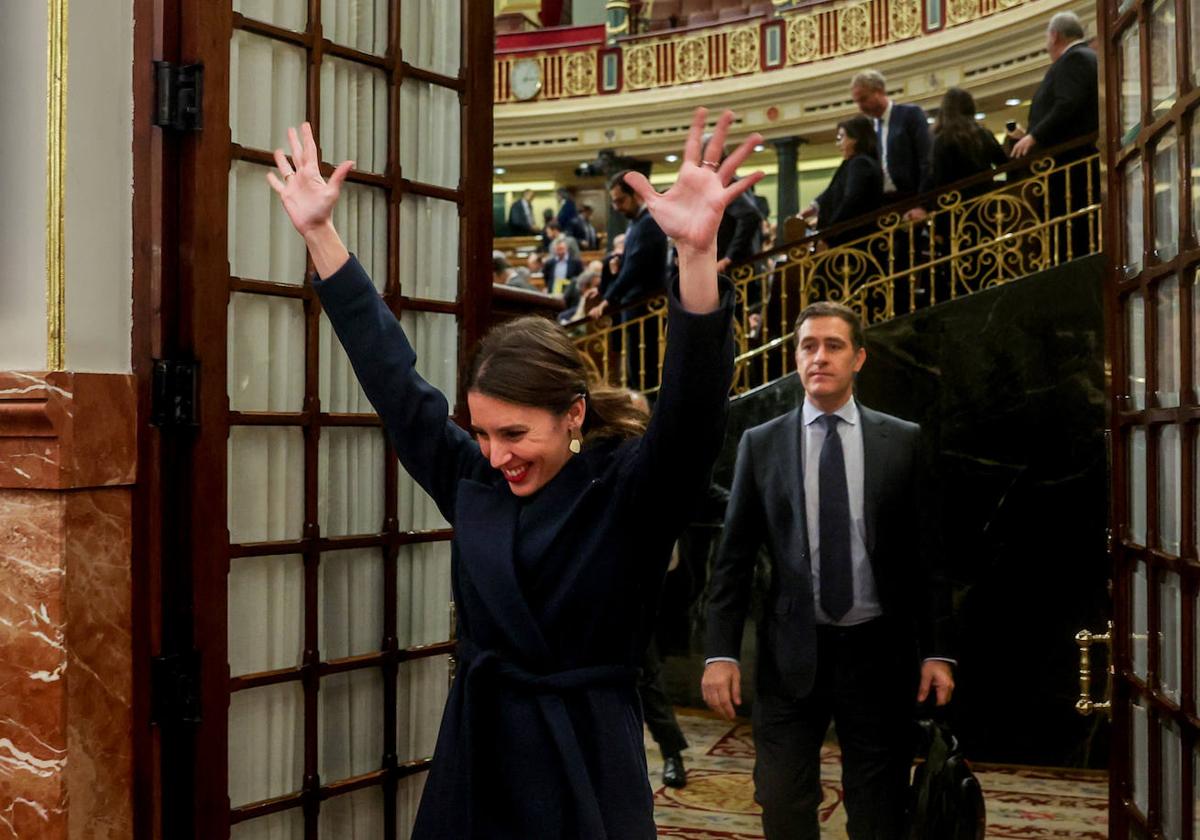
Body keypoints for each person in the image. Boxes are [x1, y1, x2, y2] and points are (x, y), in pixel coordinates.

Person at [267, 111, 762, 839]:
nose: (498, 454)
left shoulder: (628, 489)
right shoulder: (476, 482)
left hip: (586, 758)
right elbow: (394, 382)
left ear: (573, 415)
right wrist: (321, 237)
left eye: (516, 433)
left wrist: (693, 258)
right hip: (480, 753)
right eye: (483, 433)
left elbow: (691, 417)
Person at [702, 301, 954, 840]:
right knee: (782, 799)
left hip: (879, 653)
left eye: (833, 346)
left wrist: (937, 651)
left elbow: (929, 557)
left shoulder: (901, 441)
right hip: (790, 653)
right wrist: (720, 652)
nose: (820, 357)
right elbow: (733, 559)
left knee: (878, 804)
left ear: (859, 357)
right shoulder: (761, 443)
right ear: (795, 358)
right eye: (808, 346)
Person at [1008, 11, 1099, 260]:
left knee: (1070, 235)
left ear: (1055, 35)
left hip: (1070, 166)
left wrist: (1034, 136)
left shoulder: (1075, 58)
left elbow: (1067, 104)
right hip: (1068, 164)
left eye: (1047, 38)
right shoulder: (1083, 57)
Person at [588, 170, 671, 391]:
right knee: (635, 371)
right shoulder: (637, 222)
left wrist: (608, 299)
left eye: (620, 200)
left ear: (636, 195)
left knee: (644, 371)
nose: (617, 207)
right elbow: (628, 262)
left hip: (644, 307)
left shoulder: (650, 221)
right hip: (634, 306)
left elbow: (635, 267)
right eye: (614, 202)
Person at [797, 116, 883, 247]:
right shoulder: (853, 163)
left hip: (853, 239)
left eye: (841, 138)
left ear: (856, 139)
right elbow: (831, 192)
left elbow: (852, 200)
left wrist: (830, 231)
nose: (838, 144)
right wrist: (812, 209)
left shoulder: (860, 163)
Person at [849, 69, 931, 203]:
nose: (860, 107)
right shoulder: (869, 128)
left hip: (912, 199)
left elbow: (926, 160)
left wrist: (923, 203)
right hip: (884, 204)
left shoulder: (910, 115)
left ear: (879, 91)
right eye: (857, 102)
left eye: (863, 99)